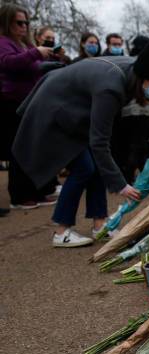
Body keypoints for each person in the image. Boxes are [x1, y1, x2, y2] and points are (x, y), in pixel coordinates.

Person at [13, 39, 149, 247]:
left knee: (97, 167)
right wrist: (121, 185)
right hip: (53, 108)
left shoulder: (133, 70)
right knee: (84, 168)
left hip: (71, 110)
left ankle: (100, 224)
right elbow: (99, 142)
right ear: (145, 78)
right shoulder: (111, 88)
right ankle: (61, 232)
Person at [0, 3, 57, 211]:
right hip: (12, 103)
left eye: (26, 22)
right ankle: (19, 195)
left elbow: (32, 68)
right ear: (7, 22)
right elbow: (8, 63)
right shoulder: (3, 42)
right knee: (19, 150)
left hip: (30, 102)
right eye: (19, 22)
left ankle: (36, 191)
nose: (23, 26)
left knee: (33, 149)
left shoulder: (24, 45)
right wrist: (36, 54)